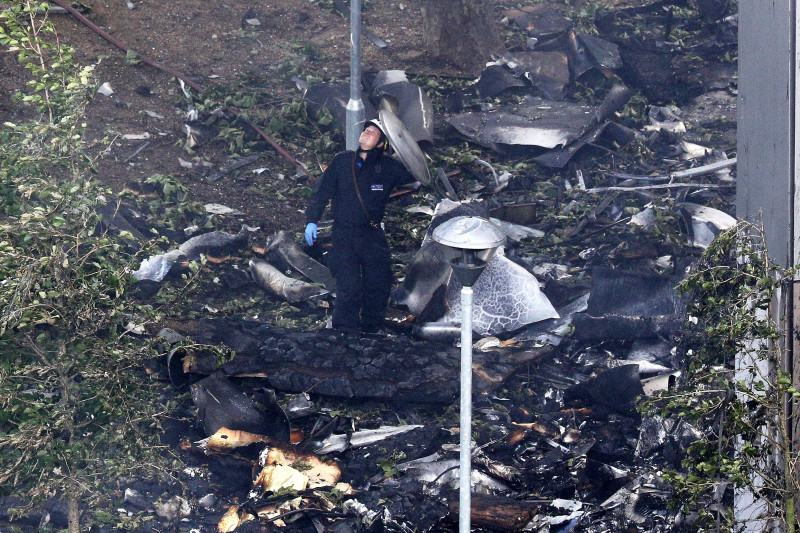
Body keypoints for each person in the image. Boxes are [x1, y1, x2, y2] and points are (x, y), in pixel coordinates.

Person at [304, 120, 417, 335]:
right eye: (366, 129)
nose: (366, 133)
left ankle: (371, 329)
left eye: (373, 132)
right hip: (344, 234)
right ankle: (344, 332)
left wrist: (403, 143)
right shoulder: (342, 161)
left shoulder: (389, 168)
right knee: (348, 285)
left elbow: (418, 174)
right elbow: (322, 192)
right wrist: (312, 220)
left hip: (372, 233)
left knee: (379, 282)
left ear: (381, 143)